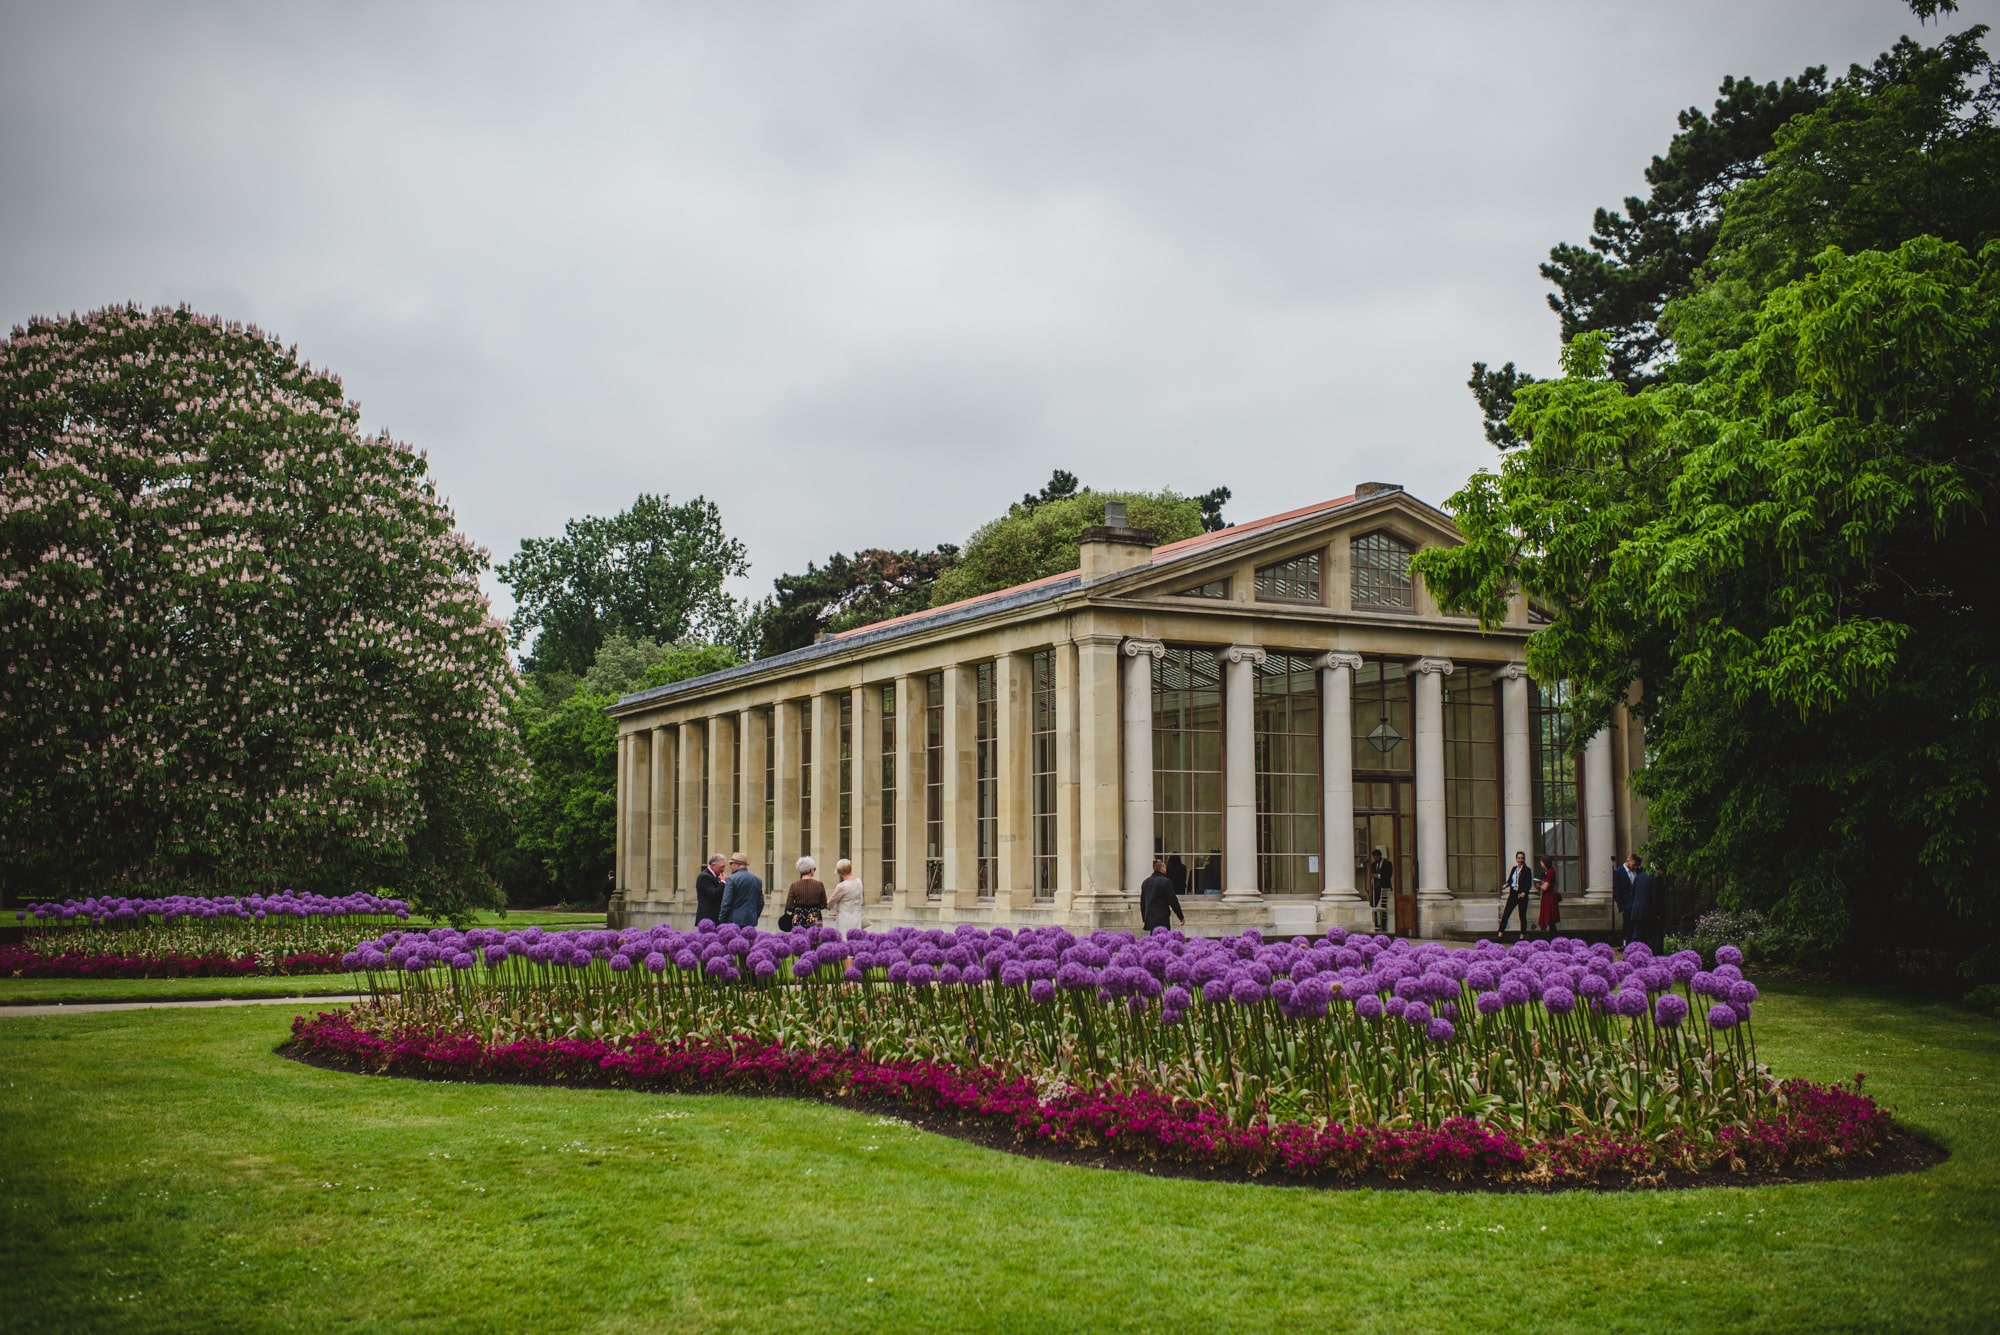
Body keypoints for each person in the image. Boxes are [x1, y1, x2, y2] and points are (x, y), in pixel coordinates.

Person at [1628, 857, 1665, 953]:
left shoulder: (1639, 876)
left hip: (1636, 912)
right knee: (1653, 939)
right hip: (1649, 912)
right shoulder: (1655, 877)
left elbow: (1633, 894)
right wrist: (1659, 913)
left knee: (1637, 938)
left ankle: (1630, 955)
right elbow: (1655, 897)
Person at [718, 853, 764, 928]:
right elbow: (761, 902)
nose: (730, 866)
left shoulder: (731, 879)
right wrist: (755, 916)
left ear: (737, 865)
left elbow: (726, 903)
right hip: (750, 921)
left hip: (734, 921)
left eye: (731, 863)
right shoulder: (757, 880)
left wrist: (721, 919)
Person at [1140, 855, 1184, 933]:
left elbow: (1142, 903)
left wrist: (1144, 918)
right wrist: (1181, 917)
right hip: (1162, 918)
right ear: (1162, 868)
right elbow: (1173, 901)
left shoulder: (1146, 882)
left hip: (1150, 918)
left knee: (1153, 940)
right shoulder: (1166, 882)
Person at [784, 856, 828, 930]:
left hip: (798, 917)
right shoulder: (819, 884)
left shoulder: (794, 885)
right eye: (814, 869)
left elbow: (789, 906)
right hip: (814, 917)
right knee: (815, 939)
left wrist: (798, 908)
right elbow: (823, 904)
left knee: (799, 938)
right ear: (811, 870)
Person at [1499, 850, 1534, 936]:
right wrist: (1506, 885)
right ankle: (1500, 933)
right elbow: (1510, 880)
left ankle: (1522, 934)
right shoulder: (1514, 869)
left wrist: (1524, 893)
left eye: (1522, 858)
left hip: (1521, 895)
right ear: (1516, 859)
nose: (1520, 860)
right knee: (1506, 914)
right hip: (1513, 894)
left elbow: (1528, 884)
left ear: (1524, 859)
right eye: (1518, 858)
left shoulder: (1527, 870)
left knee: (1522, 916)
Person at [827, 857, 865, 933]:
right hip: (857, 915)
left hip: (844, 918)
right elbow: (860, 900)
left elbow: (830, 902)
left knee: (844, 939)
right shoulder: (858, 882)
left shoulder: (842, 886)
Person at [694, 853, 727, 926]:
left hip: (716, 917)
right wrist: (723, 882)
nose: (723, 870)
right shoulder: (705, 877)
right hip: (708, 918)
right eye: (721, 867)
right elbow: (714, 894)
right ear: (713, 865)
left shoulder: (716, 876)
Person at [1612, 853, 1638, 941]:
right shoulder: (1618, 872)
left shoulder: (1635, 872)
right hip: (1626, 905)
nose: (1634, 867)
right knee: (1627, 926)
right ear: (1628, 861)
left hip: (1635, 904)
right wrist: (1621, 907)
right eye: (1633, 864)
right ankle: (1626, 944)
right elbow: (1616, 891)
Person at [1535, 856, 1562, 937]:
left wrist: (1539, 885)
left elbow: (1545, 887)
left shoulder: (1550, 872)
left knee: (1550, 918)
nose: (1540, 864)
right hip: (1547, 896)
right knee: (1550, 919)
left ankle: (1554, 937)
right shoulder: (1548, 872)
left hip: (1549, 897)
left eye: (1541, 862)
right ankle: (1553, 937)